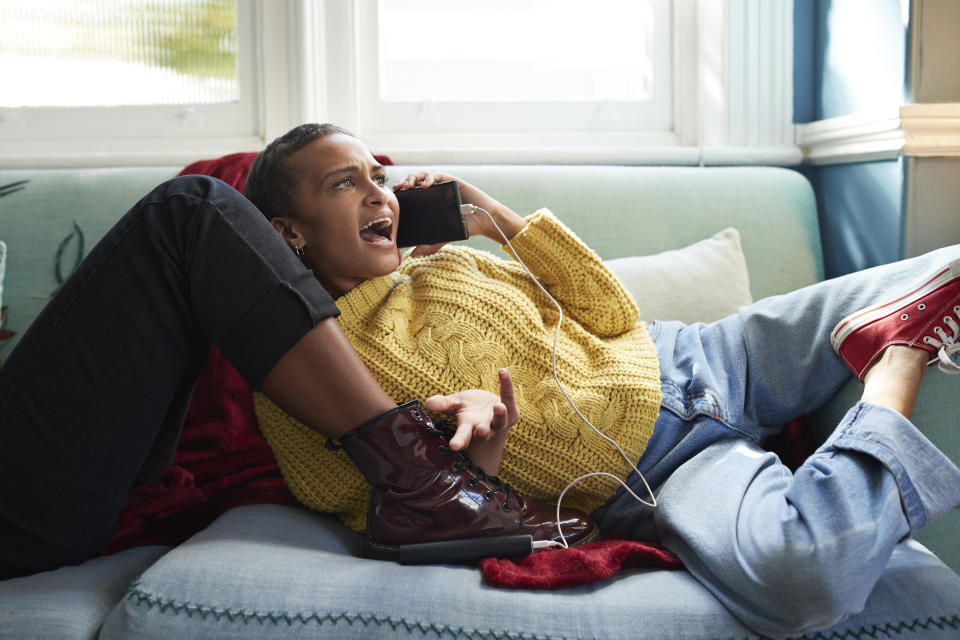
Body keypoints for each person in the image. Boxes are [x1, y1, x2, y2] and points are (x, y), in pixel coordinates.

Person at [0, 122, 956, 638]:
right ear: (281, 239)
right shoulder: (305, 364)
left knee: (943, 262)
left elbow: (612, 316)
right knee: (804, 579)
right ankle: (897, 368)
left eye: (382, 175)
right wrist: (478, 464)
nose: (379, 189)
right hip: (654, 476)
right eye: (346, 184)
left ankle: (894, 324)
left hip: (705, 358)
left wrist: (499, 222)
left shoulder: (446, 265)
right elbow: (348, 493)